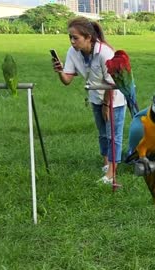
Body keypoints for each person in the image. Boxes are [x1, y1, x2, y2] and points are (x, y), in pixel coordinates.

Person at [51, 17, 127, 184]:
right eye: (70, 37)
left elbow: (112, 82)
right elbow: (67, 80)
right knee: (102, 133)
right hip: (95, 97)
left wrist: (107, 105)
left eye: (75, 37)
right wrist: (60, 70)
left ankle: (112, 174)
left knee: (113, 136)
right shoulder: (73, 52)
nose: (72, 41)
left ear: (88, 38)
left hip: (114, 98)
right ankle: (106, 165)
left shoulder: (105, 52)